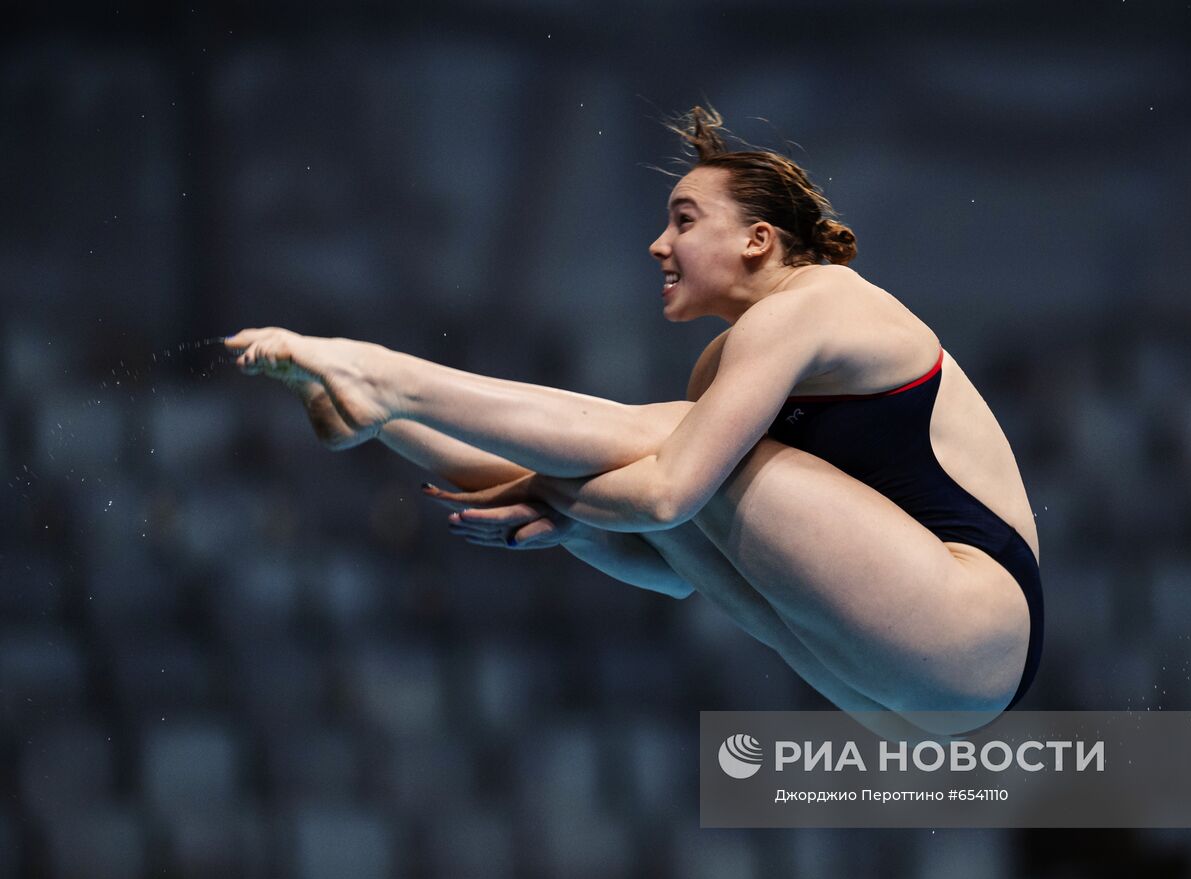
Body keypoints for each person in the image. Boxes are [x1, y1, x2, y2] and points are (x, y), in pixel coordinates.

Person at [225, 105, 1042, 737]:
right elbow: (673, 564)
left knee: (659, 457)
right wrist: (568, 516)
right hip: (901, 697)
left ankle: (388, 378)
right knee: (650, 472)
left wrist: (556, 495)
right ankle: (380, 415)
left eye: (684, 219)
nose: (658, 244)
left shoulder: (815, 303)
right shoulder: (728, 367)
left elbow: (661, 495)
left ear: (760, 240)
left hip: (974, 627)